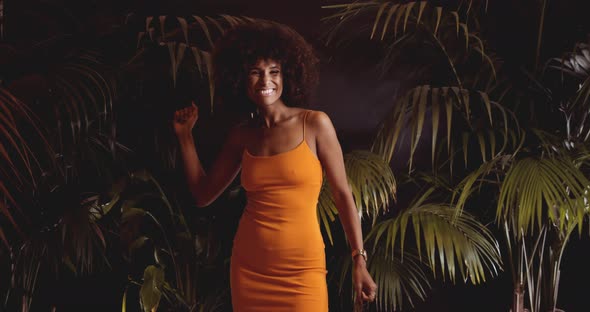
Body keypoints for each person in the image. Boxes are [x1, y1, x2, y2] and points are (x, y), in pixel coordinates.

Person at [173, 20, 377, 311]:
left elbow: (343, 194)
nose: (265, 81)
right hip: (250, 269)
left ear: (287, 75)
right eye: (255, 72)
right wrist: (185, 138)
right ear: (241, 78)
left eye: (274, 72)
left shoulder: (314, 124)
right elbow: (203, 194)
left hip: (303, 271)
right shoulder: (242, 136)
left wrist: (359, 258)